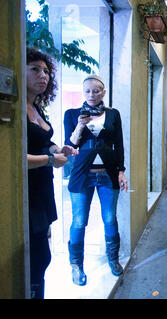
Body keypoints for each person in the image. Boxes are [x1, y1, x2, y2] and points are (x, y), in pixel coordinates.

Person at [64, 74, 128, 286]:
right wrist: (80, 126)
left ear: (103, 92)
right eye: (88, 91)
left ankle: (113, 259)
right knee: (79, 221)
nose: (92, 94)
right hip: (82, 176)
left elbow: (118, 144)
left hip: (108, 175)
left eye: (96, 91)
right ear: (84, 93)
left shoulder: (113, 114)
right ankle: (76, 266)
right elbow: (70, 144)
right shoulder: (72, 114)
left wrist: (121, 171)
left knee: (109, 218)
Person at [26, 47, 78, 298]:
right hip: (28, 195)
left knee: (41, 255)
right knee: (37, 259)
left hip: (43, 191)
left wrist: (59, 148)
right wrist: (49, 159)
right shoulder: (15, 110)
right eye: (34, 69)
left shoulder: (37, 108)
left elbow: (42, 142)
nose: (43, 75)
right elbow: (13, 159)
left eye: (46, 71)